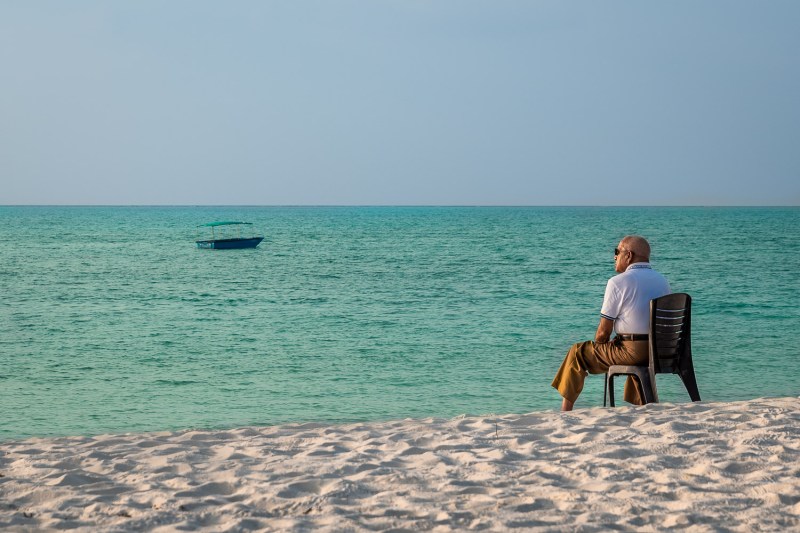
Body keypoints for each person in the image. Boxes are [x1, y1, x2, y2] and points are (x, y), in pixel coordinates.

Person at [551, 235, 670, 411]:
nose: (615, 256)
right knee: (629, 352)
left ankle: (565, 410)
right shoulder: (662, 281)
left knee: (577, 352)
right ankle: (643, 405)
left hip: (633, 353)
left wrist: (601, 347)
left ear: (628, 255)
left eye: (617, 251)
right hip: (661, 351)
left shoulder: (618, 282)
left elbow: (603, 332)